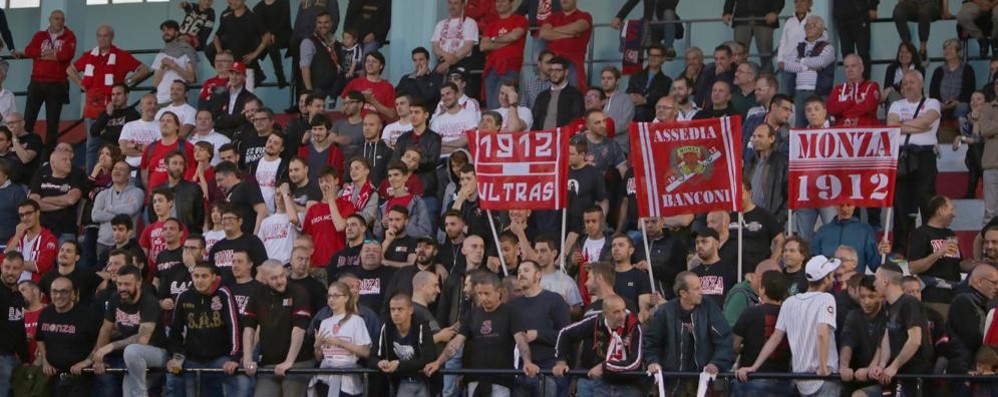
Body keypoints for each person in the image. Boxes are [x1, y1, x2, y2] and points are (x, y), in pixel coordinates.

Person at [736, 255, 842, 397]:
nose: (834, 279)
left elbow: (775, 338)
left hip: (801, 380)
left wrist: (754, 367)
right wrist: (823, 368)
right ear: (827, 278)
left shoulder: (789, 302)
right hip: (823, 379)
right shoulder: (826, 298)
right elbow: (822, 333)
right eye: (832, 276)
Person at [424, 271, 540, 396]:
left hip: (501, 380)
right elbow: (456, 343)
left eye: (487, 293)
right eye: (480, 294)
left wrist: (527, 361)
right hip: (475, 379)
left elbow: (521, 339)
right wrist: (438, 362)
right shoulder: (472, 314)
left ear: (498, 291)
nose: (483, 298)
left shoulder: (510, 312)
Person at [69, 25, 150, 171]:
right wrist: (80, 83)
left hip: (115, 110)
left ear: (111, 37)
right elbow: (70, 69)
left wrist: (127, 82)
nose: (102, 39)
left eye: (105, 36)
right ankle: (91, 179)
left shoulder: (121, 55)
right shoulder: (89, 55)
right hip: (92, 110)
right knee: (92, 146)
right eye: (99, 36)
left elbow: (144, 69)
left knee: (116, 146)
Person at [645, 271, 735, 394]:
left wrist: (717, 363)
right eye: (697, 289)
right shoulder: (664, 313)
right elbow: (651, 342)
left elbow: (724, 339)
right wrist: (653, 361)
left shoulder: (709, 308)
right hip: (671, 382)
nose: (701, 292)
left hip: (705, 381)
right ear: (683, 293)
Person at [91, 265, 168, 397]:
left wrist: (111, 346)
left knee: (132, 350)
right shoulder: (115, 299)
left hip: (157, 352)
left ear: (138, 283)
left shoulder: (149, 302)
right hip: (132, 358)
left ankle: (141, 394)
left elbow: (142, 339)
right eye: (119, 284)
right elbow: (106, 328)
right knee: (127, 393)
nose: (122, 288)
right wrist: (99, 355)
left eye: (127, 284)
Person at [166, 262, 241, 396]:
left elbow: (234, 326)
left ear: (213, 277)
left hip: (220, 358)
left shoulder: (224, 293)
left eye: (204, 276)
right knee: (172, 376)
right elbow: (175, 331)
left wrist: (234, 358)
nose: (199, 280)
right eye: (196, 276)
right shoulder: (183, 297)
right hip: (190, 357)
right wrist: (174, 357)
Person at [242, 261, 314, 396]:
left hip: (298, 361)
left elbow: (299, 330)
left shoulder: (298, 291)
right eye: (274, 278)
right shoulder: (258, 293)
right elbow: (249, 328)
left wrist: (289, 361)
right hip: (269, 362)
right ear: (264, 279)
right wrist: (247, 358)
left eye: (282, 275)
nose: (280, 281)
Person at [888, 70, 941, 253]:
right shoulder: (896, 104)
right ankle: (900, 250)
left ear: (921, 84)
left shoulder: (932, 102)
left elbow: (927, 122)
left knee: (927, 203)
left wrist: (904, 124)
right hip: (902, 156)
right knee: (900, 205)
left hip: (925, 156)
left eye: (912, 82)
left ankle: (929, 248)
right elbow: (891, 125)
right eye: (905, 83)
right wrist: (916, 124)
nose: (908, 86)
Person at [552, 294, 643, 397]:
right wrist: (561, 361)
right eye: (616, 312)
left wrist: (604, 367)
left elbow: (635, 363)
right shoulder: (595, 322)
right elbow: (565, 333)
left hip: (627, 384)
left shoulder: (633, 326)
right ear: (605, 314)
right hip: (600, 382)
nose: (622, 316)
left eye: (623, 310)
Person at [870, 262, 934, 395]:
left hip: (916, 373)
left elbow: (915, 340)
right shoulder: (889, 305)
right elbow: (888, 335)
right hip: (900, 372)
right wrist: (882, 365)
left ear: (885, 281)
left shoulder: (910, 303)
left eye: (876, 278)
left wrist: (894, 366)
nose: (874, 283)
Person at [35, 276, 102, 396]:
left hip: (80, 379)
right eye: (55, 291)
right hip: (52, 378)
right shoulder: (46, 313)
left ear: (73, 294)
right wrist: (45, 361)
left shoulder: (87, 315)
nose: (58, 296)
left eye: (64, 291)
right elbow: (40, 338)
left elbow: (101, 340)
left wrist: (86, 362)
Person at [21, 10, 76, 156]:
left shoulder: (69, 36)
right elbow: (28, 51)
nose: (59, 21)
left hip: (57, 84)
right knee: (28, 119)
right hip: (36, 82)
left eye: (62, 19)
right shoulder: (39, 35)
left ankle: (48, 156)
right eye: (56, 19)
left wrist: (44, 55)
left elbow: (66, 55)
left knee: (52, 122)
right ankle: (25, 150)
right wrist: (48, 53)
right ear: (50, 20)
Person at [732, 270, 794, 396]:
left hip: (751, 381)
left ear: (763, 289)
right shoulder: (791, 315)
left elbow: (734, 345)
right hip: (784, 381)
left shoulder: (750, 313)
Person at [907, 195, 964, 322]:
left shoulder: (950, 234)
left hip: (954, 297)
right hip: (934, 298)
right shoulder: (921, 233)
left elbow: (958, 264)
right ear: (941, 210)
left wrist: (978, 265)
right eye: (951, 209)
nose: (954, 214)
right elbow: (913, 267)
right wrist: (939, 252)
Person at [311, 280, 371, 396]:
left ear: (346, 298)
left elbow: (366, 351)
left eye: (336, 296)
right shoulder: (324, 322)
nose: (331, 300)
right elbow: (319, 358)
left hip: (347, 379)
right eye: (329, 296)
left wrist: (340, 342)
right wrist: (317, 346)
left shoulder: (356, 321)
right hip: (325, 378)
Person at [372, 293, 437, 397]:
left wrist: (399, 364)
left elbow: (428, 358)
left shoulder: (421, 326)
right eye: (392, 309)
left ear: (410, 310)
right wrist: (380, 363)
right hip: (400, 381)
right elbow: (372, 356)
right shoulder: (386, 327)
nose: (396, 313)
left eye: (400, 309)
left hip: (424, 379)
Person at [838, 275, 886, 395]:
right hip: (857, 378)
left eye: (871, 296)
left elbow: (883, 344)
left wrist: (870, 369)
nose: (866, 301)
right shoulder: (853, 316)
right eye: (862, 296)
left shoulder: (888, 315)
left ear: (881, 296)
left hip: (883, 379)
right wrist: (844, 367)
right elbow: (847, 342)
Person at [783, 15, 835, 127]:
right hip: (799, 92)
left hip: (818, 93)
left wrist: (800, 61)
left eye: (813, 25)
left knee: (820, 126)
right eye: (807, 25)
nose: (809, 28)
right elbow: (787, 65)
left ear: (821, 29)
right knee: (799, 127)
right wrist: (807, 67)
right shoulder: (799, 47)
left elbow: (821, 62)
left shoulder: (828, 47)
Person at [947, 264, 998, 375]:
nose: (997, 287)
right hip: (966, 370)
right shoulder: (963, 301)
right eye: (994, 283)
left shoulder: (984, 304)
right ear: (980, 281)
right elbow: (975, 338)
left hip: (978, 367)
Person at [303, 165, 356, 271]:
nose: (324, 184)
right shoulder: (313, 210)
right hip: (316, 265)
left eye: (327, 180)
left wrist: (331, 200)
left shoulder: (346, 205)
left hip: (339, 264)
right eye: (321, 181)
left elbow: (340, 226)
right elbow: (308, 239)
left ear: (336, 181)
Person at [812, 202, 887, 274]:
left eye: (849, 205)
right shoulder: (823, 231)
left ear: (855, 205)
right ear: (835, 205)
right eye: (841, 205)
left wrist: (881, 254)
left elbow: (875, 266)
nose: (845, 209)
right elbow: (815, 262)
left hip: (854, 283)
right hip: (828, 284)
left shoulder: (865, 231)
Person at [481, 0, 528, 110]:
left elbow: (514, 36)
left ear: (511, 3)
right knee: (491, 106)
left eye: (503, 1)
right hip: (491, 68)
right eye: (497, 2)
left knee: (501, 104)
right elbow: (483, 46)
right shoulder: (491, 23)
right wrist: (506, 41)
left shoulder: (520, 19)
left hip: (510, 67)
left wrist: (492, 41)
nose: (500, 4)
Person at [212, 0, 268, 90]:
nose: (231, 1)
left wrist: (254, 54)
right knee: (230, 96)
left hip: (248, 65)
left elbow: (266, 37)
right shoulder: (227, 18)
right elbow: (216, 36)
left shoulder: (253, 17)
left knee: (247, 95)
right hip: (232, 66)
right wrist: (220, 53)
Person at [538, 0, 592, 90]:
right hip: (553, 61)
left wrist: (553, 31)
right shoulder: (552, 17)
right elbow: (543, 33)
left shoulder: (584, 16)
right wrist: (570, 34)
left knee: (573, 95)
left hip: (572, 62)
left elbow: (577, 28)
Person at [208, 205, 268, 285]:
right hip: (223, 294)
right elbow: (212, 275)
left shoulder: (252, 241)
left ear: (240, 221)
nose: (227, 221)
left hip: (247, 292)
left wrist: (253, 290)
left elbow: (262, 270)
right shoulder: (216, 247)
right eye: (224, 219)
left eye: (230, 218)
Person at [722, 0, 782, 71]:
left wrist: (775, 11)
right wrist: (727, 12)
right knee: (738, 55)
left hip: (764, 18)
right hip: (743, 18)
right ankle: (740, 78)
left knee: (766, 56)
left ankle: (767, 80)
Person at [827, 54, 880, 127]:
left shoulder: (871, 86)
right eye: (846, 67)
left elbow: (868, 106)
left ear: (862, 68)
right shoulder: (838, 89)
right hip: (842, 134)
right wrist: (853, 102)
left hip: (867, 134)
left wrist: (843, 112)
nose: (850, 70)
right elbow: (831, 109)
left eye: (853, 66)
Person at [151, 21, 197, 106]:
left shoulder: (186, 50)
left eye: (169, 29)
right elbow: (155, 84)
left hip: (178, 100)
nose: (166, 32)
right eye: (164, 30)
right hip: (160, 100)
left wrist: (174, 66)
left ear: (177, 33)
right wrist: (162, 66)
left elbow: (192, 79)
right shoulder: (160, 54)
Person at [341, 51, 397, 120]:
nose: (370, 64)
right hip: (355, 126)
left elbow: (392, 114)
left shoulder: (388, 87)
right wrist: (358, 100)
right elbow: (343, 110)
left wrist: (372, 100)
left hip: (377, 127)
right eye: (367, 61)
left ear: (381, 66)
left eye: (374, 61)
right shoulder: (354, 83)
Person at [208, 63, 259, 137]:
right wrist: (239, 117)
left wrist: (224, 118)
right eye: (231, 73)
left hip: (241, 135)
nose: (234, 77)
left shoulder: (251, 98)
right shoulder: (218, 95)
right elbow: (214, 120)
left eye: (238, 74)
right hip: (219, 135)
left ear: (244, 77)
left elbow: (247, 120)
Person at [930, 39, 976, 121]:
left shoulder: (967, 69)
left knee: (963, 107)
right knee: (932, 106)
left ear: (958, 52)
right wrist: (940, 104)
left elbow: (969, 90)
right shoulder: (938, 71)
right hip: (941, 105)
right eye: (945, 49)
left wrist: (956, 102)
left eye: (951, 49)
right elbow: (933, 92)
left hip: (959, 104)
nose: (947, 51)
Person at [625, 44, 672, 123]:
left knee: (640, 112)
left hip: (652, 112)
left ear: (663, 59)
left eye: (656, 56)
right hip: (633, 108)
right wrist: (632, 97)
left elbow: (662, 100)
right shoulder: (636, 76)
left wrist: (645, 100)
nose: (653, 58)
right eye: (651, 55)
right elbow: (629, 92)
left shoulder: (666, 81)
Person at [5, 112, 43, 186]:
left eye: (13, 122)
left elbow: (25, 159)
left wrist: (14, 138)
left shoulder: (34, 138)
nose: (10, 126)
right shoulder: (6, 140)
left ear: (22, 123)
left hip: (25, 183)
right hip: (6, 182)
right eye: (8, 124)